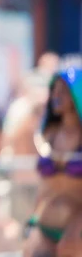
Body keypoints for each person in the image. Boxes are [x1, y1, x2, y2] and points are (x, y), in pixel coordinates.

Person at [24, 67, 82, 256]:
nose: (56, 95)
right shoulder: (48, 136)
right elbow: (43, 186)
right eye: (54, 90)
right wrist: (32, 220)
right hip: (45, 224)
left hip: (76, 231)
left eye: (63, 90)